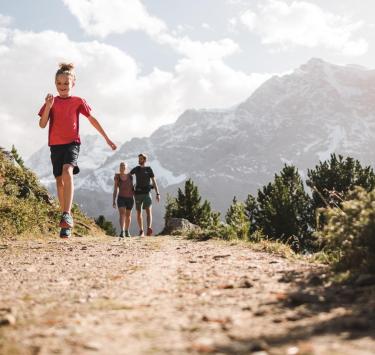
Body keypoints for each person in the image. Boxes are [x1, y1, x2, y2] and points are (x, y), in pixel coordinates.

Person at [38, 63, 117, 238]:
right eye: (59, 84)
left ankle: (66, 214)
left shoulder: (78, 101)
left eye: (66, 83)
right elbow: (42, 124)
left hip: (72, 143)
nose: (62, 87)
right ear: (55, 84)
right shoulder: (52, 102)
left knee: (68, 171)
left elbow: (92, 119)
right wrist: (48, 106)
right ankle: (65, 219)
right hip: (55, 145)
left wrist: (107, 138)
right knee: (59, 182)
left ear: (73, 83)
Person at [130, 153, 160, 236]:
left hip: (147, 193)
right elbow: (129, 176)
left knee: (148, 211)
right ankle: (141, 230)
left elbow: (154, 181)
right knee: (139, 212)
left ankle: (149, 228)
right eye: (139, 159)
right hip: (138, 194)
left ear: (145, 160)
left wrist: (158, 193)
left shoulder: (149, 169)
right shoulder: (136, 169)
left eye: (141, 159)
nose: (139, 160)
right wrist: (132, 186)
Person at [113, 162, 134, 238]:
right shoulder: (117, 177)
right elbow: (115, 189)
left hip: (130, 198)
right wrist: (113, 201)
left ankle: (127, 231)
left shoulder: (130, 176)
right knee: (122, 214)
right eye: (121, 166)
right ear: (119, 167)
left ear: (126, 168)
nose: (123, 167)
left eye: (124, 166)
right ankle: (122, 231)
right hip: (121, 198)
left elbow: (133, 187)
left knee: (128, 215)